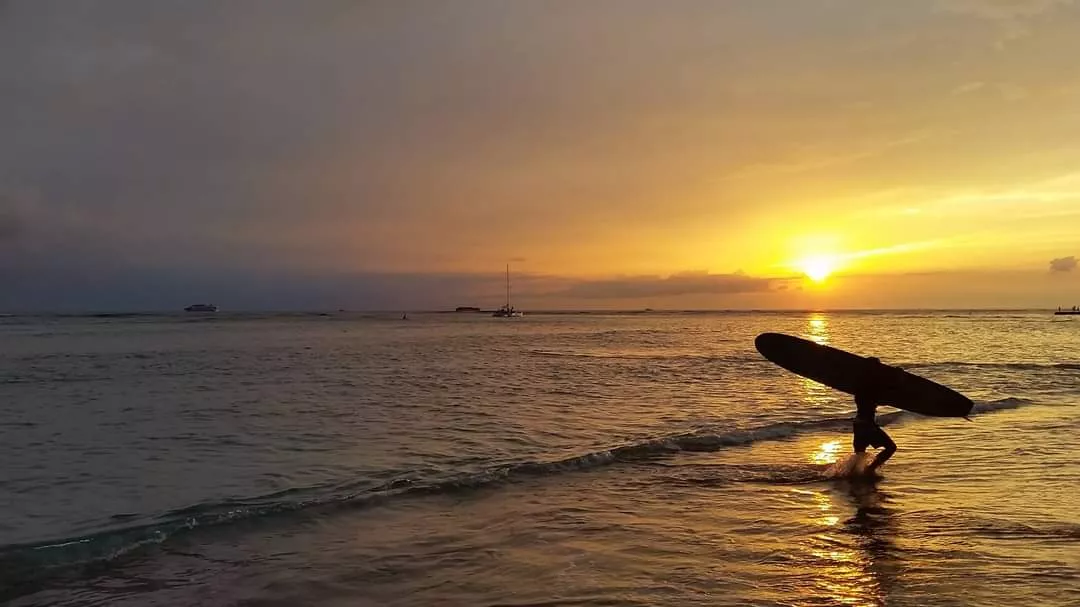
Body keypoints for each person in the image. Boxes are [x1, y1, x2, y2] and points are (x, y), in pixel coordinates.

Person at [852, 357, 897, 473]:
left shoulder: (860, 386)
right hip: (867, 426)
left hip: (858, 424)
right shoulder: (871, 386)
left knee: (859, 455)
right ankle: (870, 470)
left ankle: (851, 477)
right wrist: (898, 376)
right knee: (891, 448)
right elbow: (888, 393)